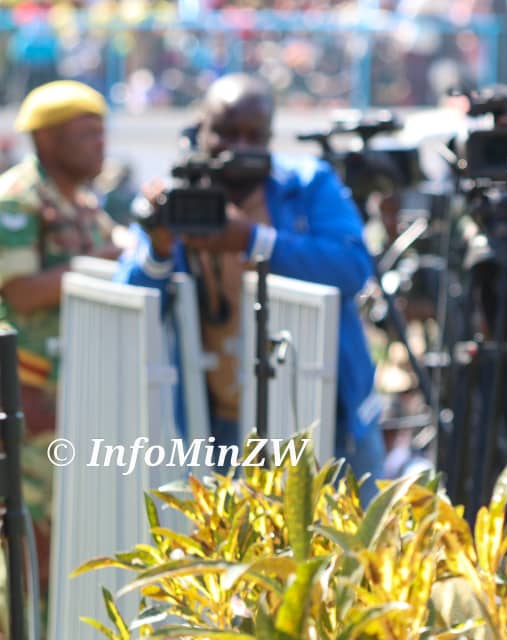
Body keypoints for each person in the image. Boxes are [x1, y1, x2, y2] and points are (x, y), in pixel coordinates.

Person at [115, 73, 384, 500]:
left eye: (253, 135)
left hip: (323, 417)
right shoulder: (181, 196)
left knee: (347, 559)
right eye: (224, 132)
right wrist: (160, 247)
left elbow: (352, 267)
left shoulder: (308, 183)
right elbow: (129, 296)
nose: (238, 147)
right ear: (199, 129)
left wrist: (254, 240)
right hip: (222, 425)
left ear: (270, 136)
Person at [0, 79, 118, 613]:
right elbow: (21, 292)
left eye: (102, 132)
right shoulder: (19, 201)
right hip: (28, 399)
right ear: (46, 141)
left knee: (74, 534)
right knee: (28, 541)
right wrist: (98, 268)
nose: (100, 144)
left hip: (76, 397)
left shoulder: (87, 205)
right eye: (85, 134)